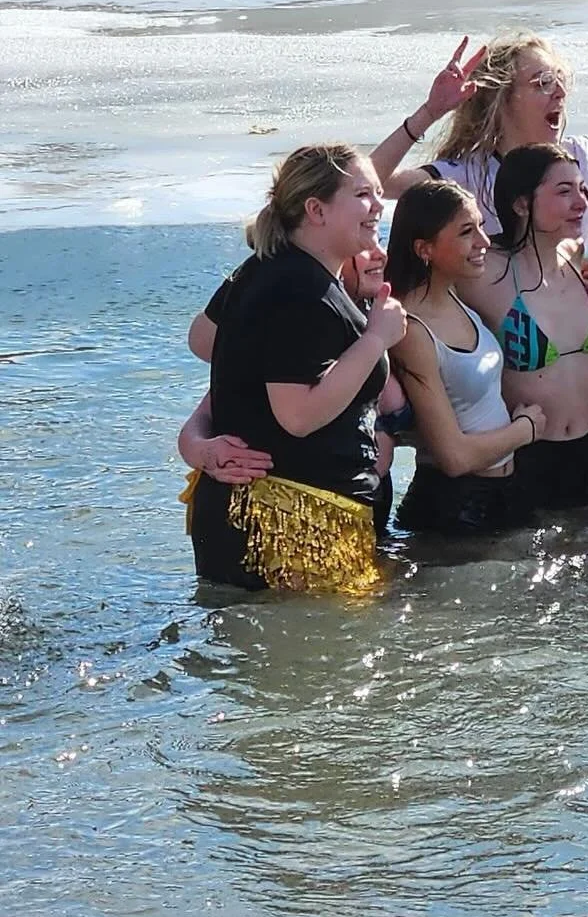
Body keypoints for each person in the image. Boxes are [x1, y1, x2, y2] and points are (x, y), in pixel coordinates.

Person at [186, 143, 406, 592]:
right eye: (363, 194)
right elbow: (299, 416)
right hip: (290, 519)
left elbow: (209, 344)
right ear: (316, 210)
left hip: (253, 509)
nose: (378, 205)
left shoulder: (265, 271)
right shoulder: (301, 286)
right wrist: (375, 339)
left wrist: (194, 439)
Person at [372, 1, 588, 241]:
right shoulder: (466, 174)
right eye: (543, 83)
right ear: (502, 98)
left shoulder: (583, 157)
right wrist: (429, 113)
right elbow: (375, 184)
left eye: (560, 79)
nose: (560, 92)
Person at [181, 245, 409, 536]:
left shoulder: (383, 321)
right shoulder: (296, 317)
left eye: (380, 241)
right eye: (363, 247)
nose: (379, 253)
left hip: (356, 508)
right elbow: (206, 413)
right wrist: (204, 452)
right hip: (298, 517)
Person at [457, 144, 588, 510]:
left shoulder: (573, 257)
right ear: (521, 204)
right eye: (564, 192)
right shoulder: (484, 274)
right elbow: (412, 282)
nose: (581, 202)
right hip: (528, 461)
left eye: (581, 188)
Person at [383, 179, 546, 534]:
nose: (484, 242)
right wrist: (526, 430)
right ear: (424, 248)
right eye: (467, 232)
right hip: (455, 505)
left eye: (481, 228)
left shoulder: (458, 297)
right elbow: (454, 458)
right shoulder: (411, 329)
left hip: (503, 491)